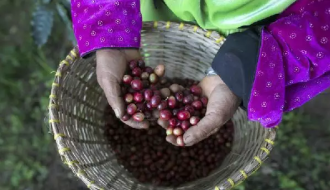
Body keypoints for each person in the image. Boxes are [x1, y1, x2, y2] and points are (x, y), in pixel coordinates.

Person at [71, 0, 330, 146]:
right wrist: (109, 29)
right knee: (168, 58)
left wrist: (245, 66)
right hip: (167, 8)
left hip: (274, 27)